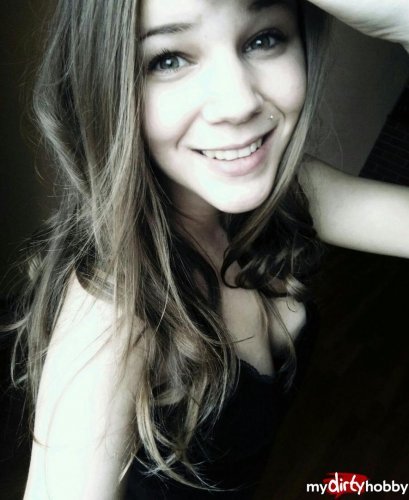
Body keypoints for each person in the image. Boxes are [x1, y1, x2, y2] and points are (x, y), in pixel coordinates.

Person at [7, 0, 408, 498]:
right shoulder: (109, 313)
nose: (238, 103)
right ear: (106, 85)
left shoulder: (289, 194)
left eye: (263, 39)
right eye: (169, 59)